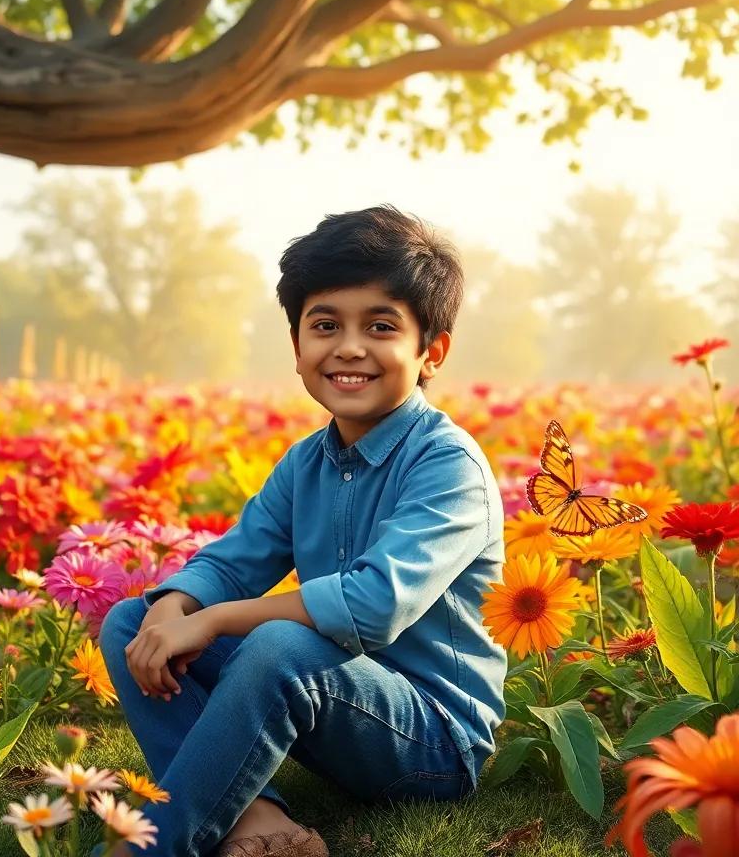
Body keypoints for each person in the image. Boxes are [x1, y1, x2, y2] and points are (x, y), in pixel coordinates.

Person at [94, 205, 507, 857]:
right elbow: (234, 561)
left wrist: (214, 621)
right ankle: (254, 815)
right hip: (333, 704)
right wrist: (178, 605)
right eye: (325, 325)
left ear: (432, 351)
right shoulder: (308, 462)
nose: (348, 347)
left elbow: (372, 606)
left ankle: (155, 845)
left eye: (379, 326)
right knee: (131, 622)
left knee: (279, 646)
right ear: (296, 349)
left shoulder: (448, 466)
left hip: (430, 738)